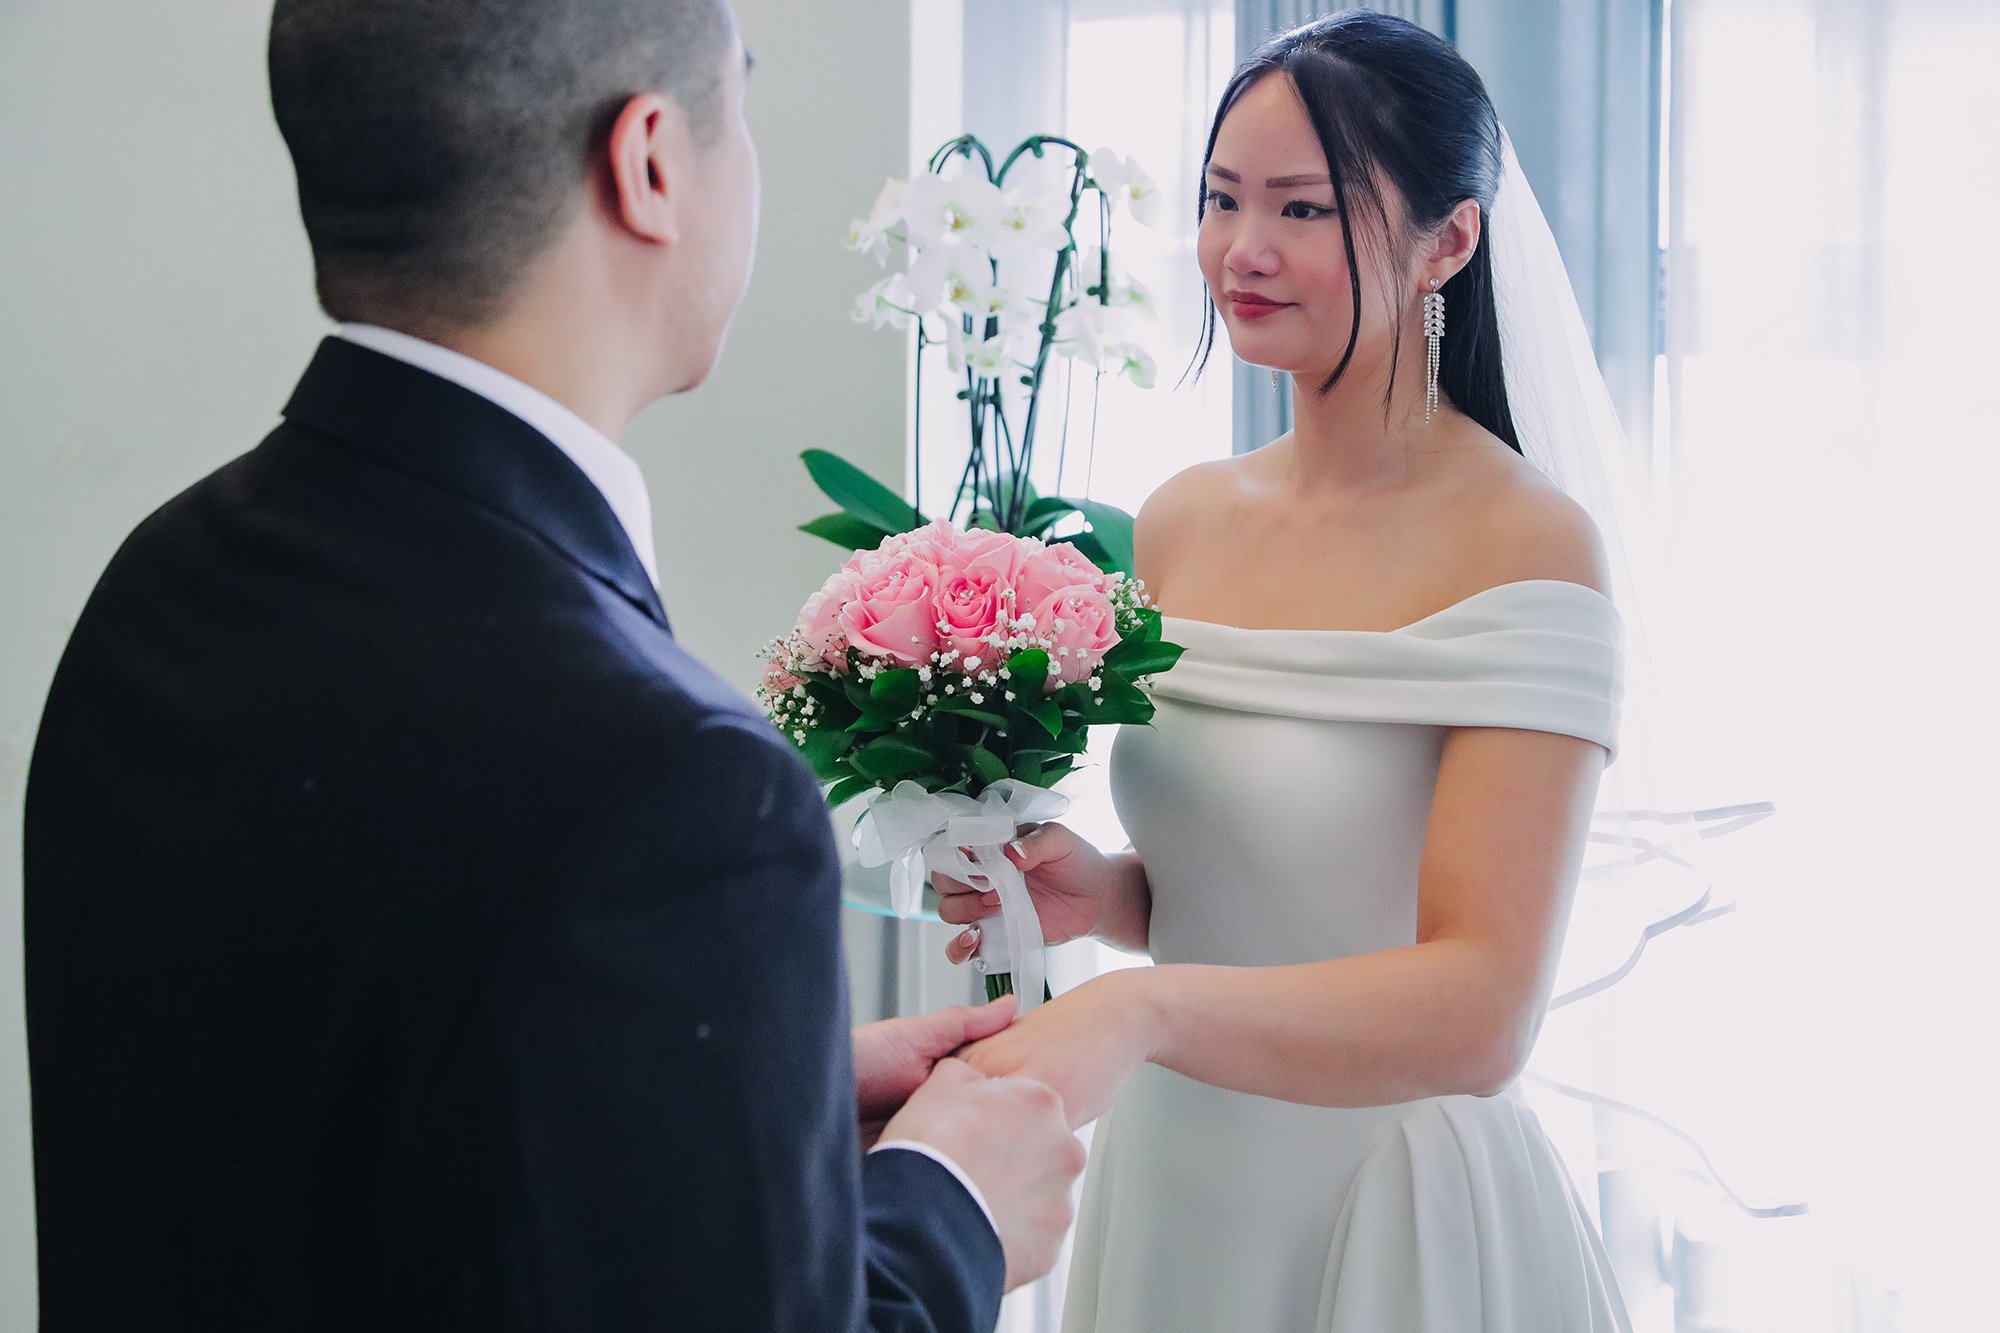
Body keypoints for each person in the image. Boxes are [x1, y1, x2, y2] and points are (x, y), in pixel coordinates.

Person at [22, 2, 1083, 1328]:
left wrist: (759, 1094)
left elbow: (332, 1119)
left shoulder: (156, 588)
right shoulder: (679, 785)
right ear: (648, 162)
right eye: (737, 106)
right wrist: (950, 1208)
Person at [937, 12, 1635, 1331]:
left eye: (1303, 209)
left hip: (1386, 1201)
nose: (1240, 252)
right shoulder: (1187, 516)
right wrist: (1110, 896)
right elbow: (1291, 887)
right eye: (1220, 200)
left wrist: (1142, 1011)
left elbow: (1480, 1003)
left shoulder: (1527, 544)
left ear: (1451, 241)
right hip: (1180, 1173)